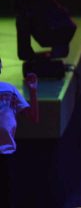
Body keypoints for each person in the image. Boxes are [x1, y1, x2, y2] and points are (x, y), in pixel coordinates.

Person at [0, 58, 39, 208]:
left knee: (7, 199)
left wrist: (33, 91)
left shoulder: (9, 90)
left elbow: (34, 117)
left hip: (7, 155)